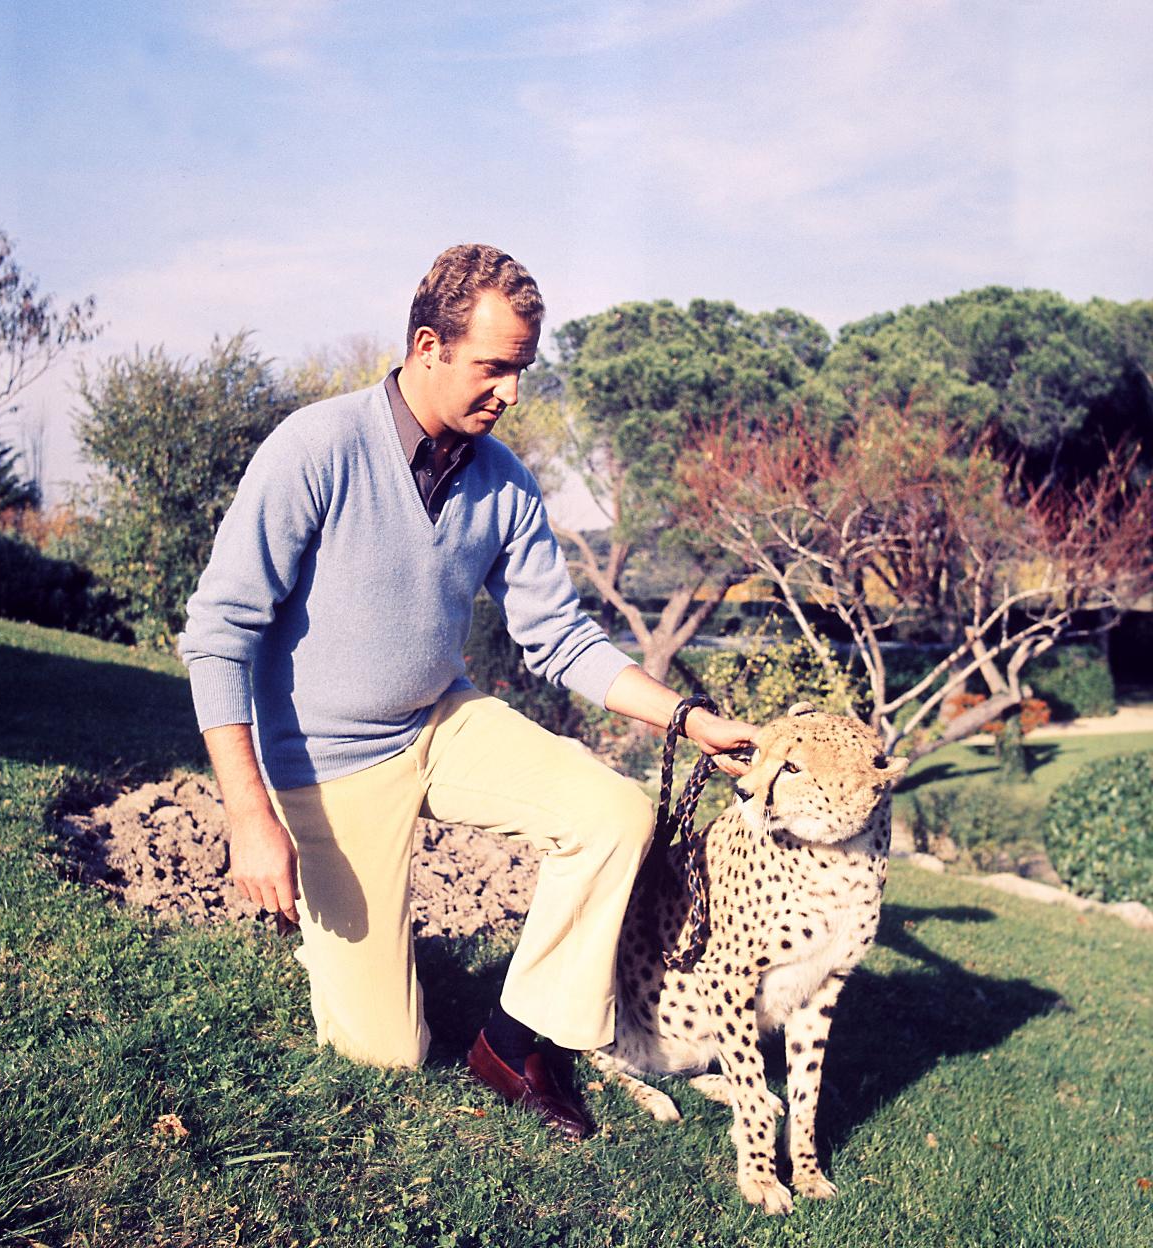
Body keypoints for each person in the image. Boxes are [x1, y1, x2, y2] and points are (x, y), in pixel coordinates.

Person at [178, 243, 755, 1139]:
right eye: (494, 367)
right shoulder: (316, 448)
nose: (513, 393)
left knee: (612, 813)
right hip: (325, 766)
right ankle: (349, 957)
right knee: (385, 1054)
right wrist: (250, 817)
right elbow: (218, 635)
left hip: (441, 721)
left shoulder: (504, 483)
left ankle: (516, 1041)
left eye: (522, 370)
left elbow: (559, 637)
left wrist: (687, 717)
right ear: (426, 346)